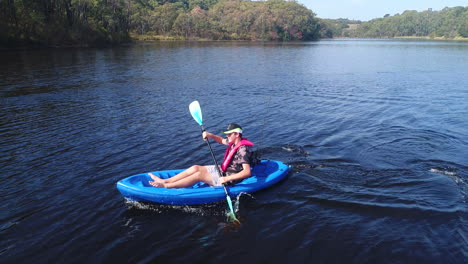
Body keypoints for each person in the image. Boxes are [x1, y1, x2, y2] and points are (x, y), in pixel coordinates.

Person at [149, 123, 254, 188]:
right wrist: (210, 135)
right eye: (227, 134)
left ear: (237, 134)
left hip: (229, 178)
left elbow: (247, 172)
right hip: (223, 170)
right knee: (196, 168)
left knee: (199, 176)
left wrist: (225, 179)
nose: (227, 136)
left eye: (229, 134)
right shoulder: (233, 142)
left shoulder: (243, 150)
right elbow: (221, 140)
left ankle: (166, 186)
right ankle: (165, 180)